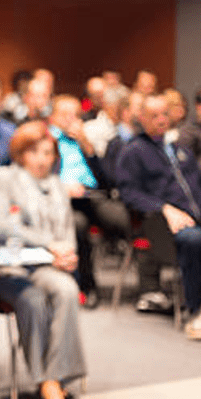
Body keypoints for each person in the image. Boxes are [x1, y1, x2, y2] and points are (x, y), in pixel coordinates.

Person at [0, 121, 88, 399]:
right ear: (21, 153)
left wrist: (67, 254)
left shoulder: (57, 185)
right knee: (34, 300)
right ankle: (46, 383)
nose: (42, 158)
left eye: (48, 152)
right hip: (7, 266)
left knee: (66, 289)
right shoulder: (0, 178)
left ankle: (55, 377)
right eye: (34, 152)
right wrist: (50, 244)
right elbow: (0, 227)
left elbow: (67, 232)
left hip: (43, 265)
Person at [116, 94, 201, 340]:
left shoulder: (180, 149)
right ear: (142, 118)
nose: (161, 120)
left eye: (165, 114)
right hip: (161, 225)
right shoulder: (133, 152)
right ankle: (195, 311)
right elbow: (129, 194)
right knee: (193, 239)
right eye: (154, 116)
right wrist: (164, 208)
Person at [48, 95, 132, 308]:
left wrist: (88, 146)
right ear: (53, 117)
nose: (71, 120)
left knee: (123, 219)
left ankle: (150, 283)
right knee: (78, 225)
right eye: (65, 115)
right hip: (61, 201)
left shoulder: (84, 141)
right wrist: (61, 188)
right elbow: (38, 179)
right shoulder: (47, 140)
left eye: (75, 115)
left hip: (92, 196)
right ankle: (86, 286)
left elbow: (107, 180)